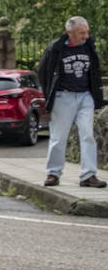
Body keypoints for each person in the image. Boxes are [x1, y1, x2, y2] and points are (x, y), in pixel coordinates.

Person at [38, 16, 105, 188]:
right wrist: (49, 96)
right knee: (58, 137)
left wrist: (95, 94)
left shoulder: (89, 46)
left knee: (87, 135)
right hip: (63, 96)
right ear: (70, 32)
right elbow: (43, 73)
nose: (85, 36)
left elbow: (95, 71)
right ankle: (53, 173)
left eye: (87, 32)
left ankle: (88, 175)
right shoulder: (56, 48)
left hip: (85, 96)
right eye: (81, 33)